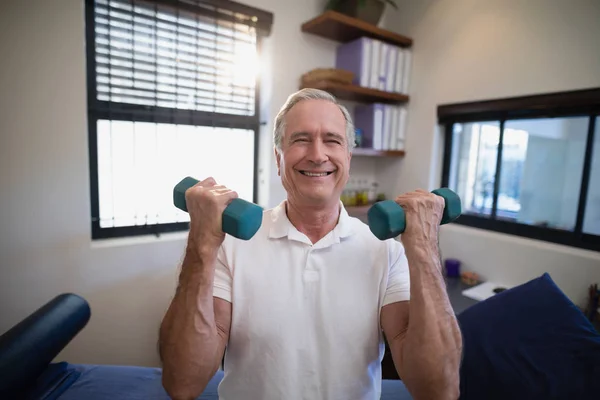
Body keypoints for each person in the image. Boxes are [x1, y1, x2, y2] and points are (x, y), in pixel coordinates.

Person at [159, 88, 463, 400]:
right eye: (301, 139)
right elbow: (183, 383)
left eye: (332, 140)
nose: (317, 155)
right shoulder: (232, 246)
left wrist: (423, 248)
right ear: (279, 159)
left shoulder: (385, 251)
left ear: (348, 158)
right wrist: (201, 243)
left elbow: (438, 390)